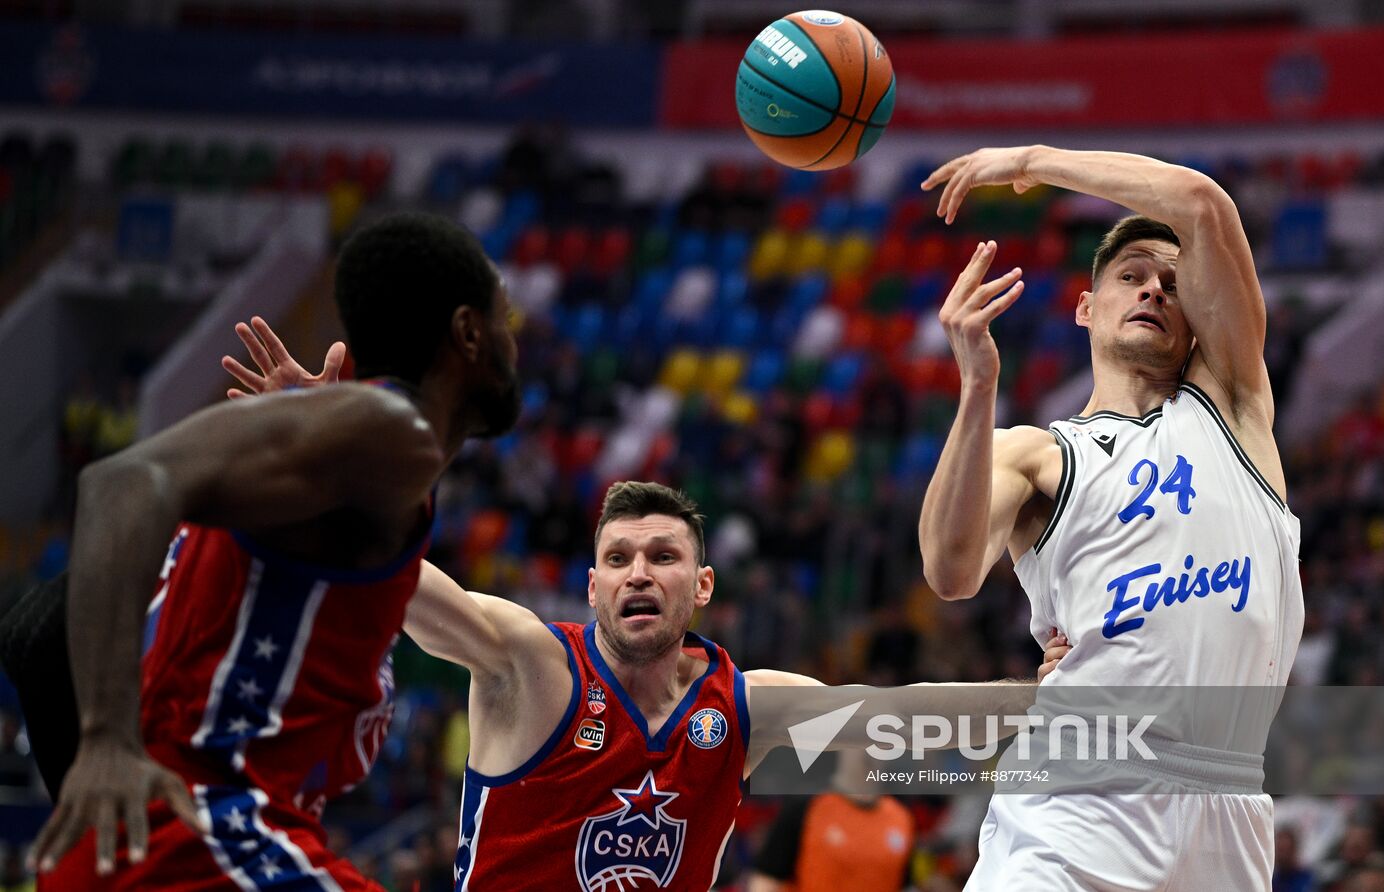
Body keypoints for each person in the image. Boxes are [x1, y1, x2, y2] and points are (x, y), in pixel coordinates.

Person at [223, 320, 1063, 891]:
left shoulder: (740, 708)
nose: (637, 574)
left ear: (702, 587)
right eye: (617, 559)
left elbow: (905, 724)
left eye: (663, 558)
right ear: (590, 586)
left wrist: (1049, 695)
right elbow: (405, 584)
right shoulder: (530, 664)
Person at [24, 210, 523, 890]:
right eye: (505, 319)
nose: (514, 340)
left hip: (179, 837)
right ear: (468, 332)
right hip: (198, 833)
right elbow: (120, 484)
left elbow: (38, 628)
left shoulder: (363, 461)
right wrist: (105, 742)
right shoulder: (390, 432)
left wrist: (317, 423)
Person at [918, 145, 1305, 890]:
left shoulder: (1234, 405)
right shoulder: (1035, 452)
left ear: (1200, 321)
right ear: (1087, 307)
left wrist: (1033, 160)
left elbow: (1202, 204)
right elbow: (951, 569)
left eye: (1171, 284)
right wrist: (977, 386)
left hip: (1228, 801)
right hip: (1083, 786)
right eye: (1131, 278)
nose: (1154, 291)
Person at [747, 749, 916, 892]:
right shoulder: (806, 807)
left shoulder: (901, 818)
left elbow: (905, 884)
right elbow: (765, 879)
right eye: (861, 741)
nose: (869, 752)